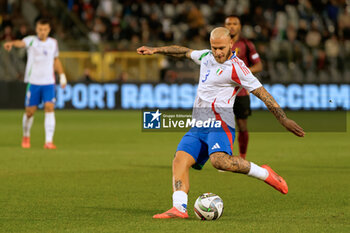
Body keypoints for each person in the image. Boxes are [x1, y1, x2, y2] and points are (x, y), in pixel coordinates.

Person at [137, 27, 304, 219]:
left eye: (221, 48)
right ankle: (179, 208)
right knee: (179, 160)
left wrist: (283, 118)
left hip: (220, 122)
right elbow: (183, 51)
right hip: (199, 125)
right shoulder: (206, 56)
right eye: (214, 47)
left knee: (219, 161)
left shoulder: (237, 68)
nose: (217, 52)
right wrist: (155, 49)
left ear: (231, 44)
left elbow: (262, 93)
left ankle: (265, 173)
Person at [3, 18, 67, 149]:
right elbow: (20, 43)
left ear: (49, 30)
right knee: (29, 112)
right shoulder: (31, 40)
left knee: (49, 107)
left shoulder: (53, 43)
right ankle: (26, 135)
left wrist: (62, 75)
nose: (42, 32)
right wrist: (11, 43)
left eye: (44, 29)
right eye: (40, 29)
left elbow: (56, 60)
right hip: (34, 82)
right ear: (36, 29)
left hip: (49, 82)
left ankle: (49, 141)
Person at [224, 15, 263, 159]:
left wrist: (243, 73)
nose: (232, 26)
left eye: (235, 23)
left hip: (241, 93)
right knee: (223, 126)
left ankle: (242, 157)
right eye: (229, 24)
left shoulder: (247, 44)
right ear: (224, 26)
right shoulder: (220, 44)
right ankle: (225, 156)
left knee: (242, 126)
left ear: (240, 26)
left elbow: (259, 65)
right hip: (223, 92)